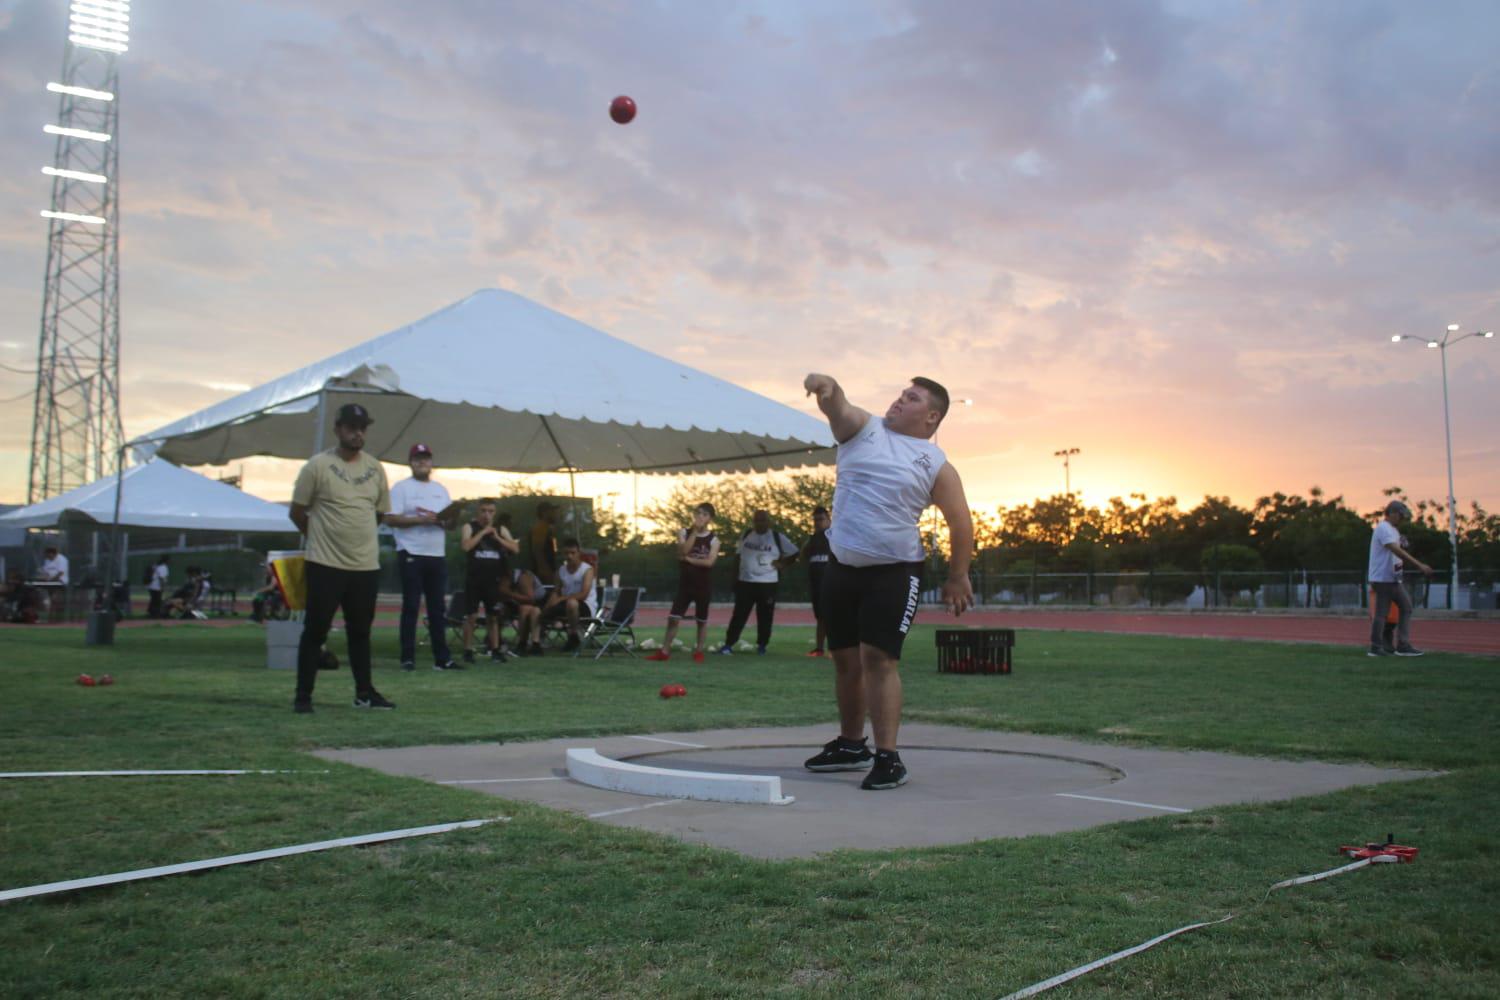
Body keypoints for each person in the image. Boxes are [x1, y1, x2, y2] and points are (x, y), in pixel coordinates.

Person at [800, 374, 974, 790]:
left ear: (931, 416)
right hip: (842, 568)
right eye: (900, 394)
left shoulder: (936, 464)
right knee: (844, 659)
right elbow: (840, 409)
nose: (898, 401)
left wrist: (958, 575)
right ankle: (850, 744)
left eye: (911, 398)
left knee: (878, 660)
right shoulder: (864, 429)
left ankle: (889, 758)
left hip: (895, 571)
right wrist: (829, 389)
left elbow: (960, 520)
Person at [287, 402, 395, 713]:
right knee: (315, 630)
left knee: (360, 632)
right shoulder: (317, 466)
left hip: (364, 565)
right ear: (337, 430)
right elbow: (296, 511)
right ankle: (303, 696)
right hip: (324, 563)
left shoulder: (375, 468)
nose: (357, 433)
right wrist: (320, 537)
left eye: (362, 428)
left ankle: (365, 693)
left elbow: (378, 514)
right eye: (350, 427)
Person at [386, 443, 460, 672]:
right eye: (418, 459)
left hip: (436, 553)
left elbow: (451, 524)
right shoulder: (401, 488)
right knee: (411, 606)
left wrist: (447, 519)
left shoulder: (440, 489)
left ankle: (442, 658)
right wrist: (421, 520)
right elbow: (391, 519)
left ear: (431, 462)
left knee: (437, 608)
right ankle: (407, 657)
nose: (422, 462)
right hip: (411, 552)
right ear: (411, 462)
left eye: (426, 458)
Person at [646, 503, 721, 663]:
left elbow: (709, 563)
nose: (700, 517)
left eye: (705, 514)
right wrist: (694, 532)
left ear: (710, 519)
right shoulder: (684, 533)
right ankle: (664, 651)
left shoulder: (714, 540)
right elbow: (683, 550)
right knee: (673, 618)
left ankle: (699, 651)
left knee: (701, 620)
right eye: (698, 513)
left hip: (703, 584)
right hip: (685, 584)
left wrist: (688, 560)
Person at [717, 509, 799, 655]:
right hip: (745, 582)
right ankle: (728, 645)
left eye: (762, 520)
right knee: (739, 615)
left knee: (765, 616)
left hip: (768, 583)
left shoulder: (776, 537)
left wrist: (783, 564)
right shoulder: (747, 535)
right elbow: (738, 556)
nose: (759, 523)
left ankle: (762, 646)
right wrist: (734, 578)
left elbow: (795, 552)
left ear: (768, 522)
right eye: (756, 520)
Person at [1368, 500, 1433, 657]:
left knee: (1406, 607)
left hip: (1392, 578)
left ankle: (1401, 645)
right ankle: (1377, 647)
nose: (1402, 519)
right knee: (1382, 613)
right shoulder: (1384, 529)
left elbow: (1399, 550)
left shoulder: (1393, 530)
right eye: (1400, 516)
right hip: (1383, 578)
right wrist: (1419, 565)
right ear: (1392, 513)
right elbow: (1396, 551)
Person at [461, 500, 520, 662]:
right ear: (477, 512)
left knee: (493, 616)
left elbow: (515, 548)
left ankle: (495, 650)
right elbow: (466, 546)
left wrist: (497, 538)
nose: (487, 514)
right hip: (474, 578)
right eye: (483, 511)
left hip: (493, 579)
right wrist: (482, 533)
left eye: (490, 511)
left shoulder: (500, 530)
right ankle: (467, 650)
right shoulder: (469, 527)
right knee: (471, 616)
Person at [542, 538, 596, 651]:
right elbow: (556, 591)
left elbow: (584, 594)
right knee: (538, 612)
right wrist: (547, 607)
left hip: (585, 606)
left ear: (579, 553)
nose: (569, 556)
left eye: (573, 553)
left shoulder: (587, 570)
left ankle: (573, 636)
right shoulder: (560, 571)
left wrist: (561, 598)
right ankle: (534, 642)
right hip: (566, 604)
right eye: (566, 553)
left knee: (571, 603)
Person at [803, 506, 833, 656]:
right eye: (815, 520)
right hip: (816, 585)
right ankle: (819, 648)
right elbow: (804, 556)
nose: (817, 523)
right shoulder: (813, 539)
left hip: (833, 584)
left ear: (829, 520)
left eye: (821, 519)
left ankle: (836, 649)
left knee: (834, 616)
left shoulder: (835, 537)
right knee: (821, 617)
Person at [499, 566, 546, 656]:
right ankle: (495, 642)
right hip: (516, 604)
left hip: (538, 604)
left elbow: (530, 599)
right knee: (498, 609)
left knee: (527, 609)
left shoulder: (524, 577)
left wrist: (508, 593)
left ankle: (529, 644)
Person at [528, 502, 560, 586]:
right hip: (545, 576)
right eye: (552, 511)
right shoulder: (540, 529)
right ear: (544, 513)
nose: (555, 514)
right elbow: (537, 551)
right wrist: (546, 573)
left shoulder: (549, 529)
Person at [146, 555, 170, 619]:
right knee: (157, 601)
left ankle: (151, 613)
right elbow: (161, 578)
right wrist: (163, 587)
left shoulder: (158, 566)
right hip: (156, 587)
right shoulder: (163, 567)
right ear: (167, 561)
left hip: (152, 586)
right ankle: (155, 614)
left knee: (154, 600)